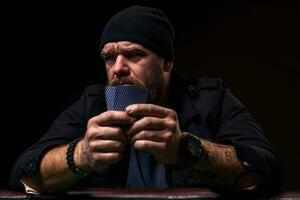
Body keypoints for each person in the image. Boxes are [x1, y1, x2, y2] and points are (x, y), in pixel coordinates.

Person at [10, 5, 281, 197]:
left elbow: (265, 170)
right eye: (109, 57)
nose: (118, 68)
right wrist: (81, 155)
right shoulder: (93, 102)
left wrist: (184, 149)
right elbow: (25, 172)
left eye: (134, 55)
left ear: (166, 63)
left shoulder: (211, 98)